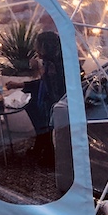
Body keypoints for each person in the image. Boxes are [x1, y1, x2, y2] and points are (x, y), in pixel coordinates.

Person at [24, 30, 66, 168]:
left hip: (57, 103)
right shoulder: (54, 62)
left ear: (44, 47)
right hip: (52, 100)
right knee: (31, 106)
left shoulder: (53, 65)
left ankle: (49, 154)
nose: (35, 48)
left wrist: (37, 70)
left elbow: (52, 88)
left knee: (35, 110)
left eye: (37, 45)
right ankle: (41, 145)